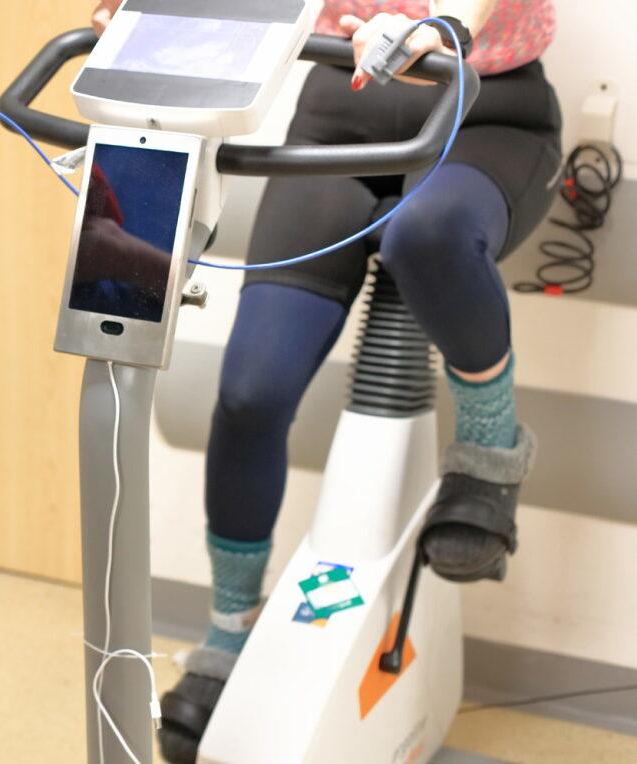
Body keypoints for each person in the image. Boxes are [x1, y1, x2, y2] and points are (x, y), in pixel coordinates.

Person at [92, 1, 561, 760]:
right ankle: (228, 632)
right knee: (251, 391)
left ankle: (489, 447)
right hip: (341, 114)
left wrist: (438, 27)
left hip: (485, 112)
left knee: (429, 235)